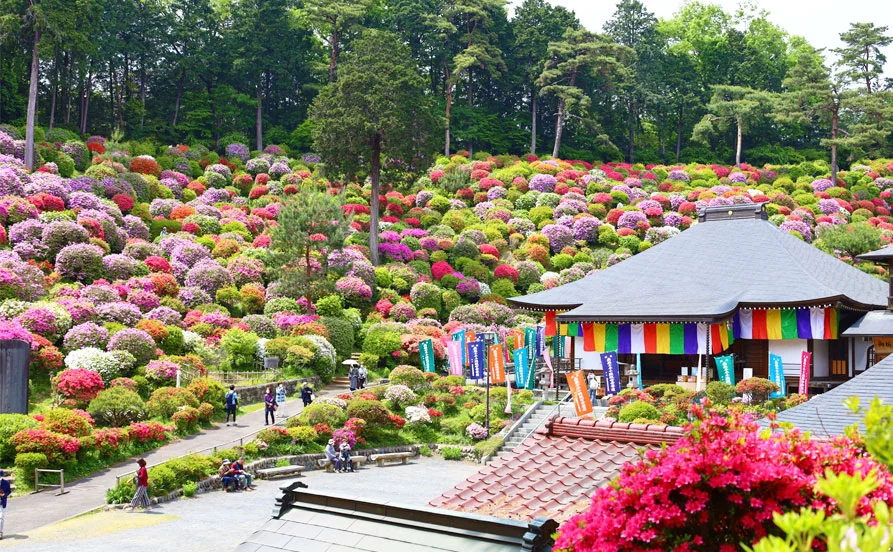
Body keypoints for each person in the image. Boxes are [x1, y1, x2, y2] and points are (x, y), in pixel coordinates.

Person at [0, 469, 10, 540]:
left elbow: (9, 491)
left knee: (1, 518)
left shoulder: (6, 482)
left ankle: (0, 532)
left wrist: (4, 494)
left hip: (2, 503)